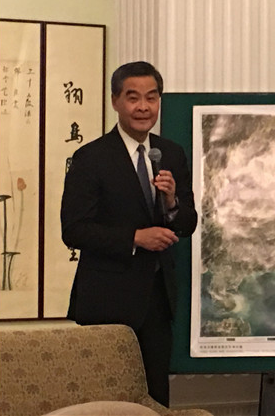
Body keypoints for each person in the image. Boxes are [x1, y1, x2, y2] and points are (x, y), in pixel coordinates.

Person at [61, 61, 198, 407]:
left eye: (151, 98)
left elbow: (187, 223)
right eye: (133, 97)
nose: (143, 107)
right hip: (106, 299)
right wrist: (135, 237)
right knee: (106, 400)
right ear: (115, 101)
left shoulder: (170, 153)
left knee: (155, 398)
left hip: (157, 300)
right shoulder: (90, 158)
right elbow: (74, 229)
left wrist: (172, 202)